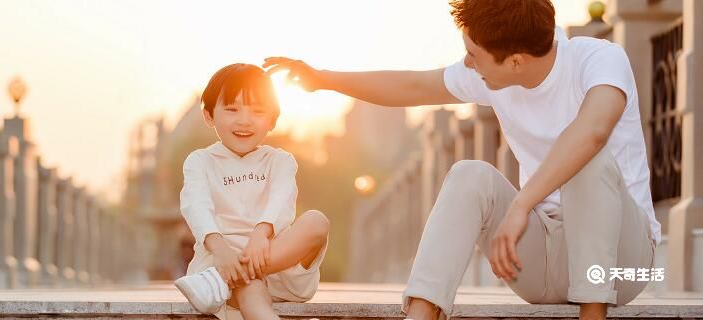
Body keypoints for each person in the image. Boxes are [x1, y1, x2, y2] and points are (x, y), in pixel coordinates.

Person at [262, 1, 659, 319]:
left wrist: (521, 204)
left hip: (619, 266)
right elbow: (413, 85)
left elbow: (591, 132)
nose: (467, 62)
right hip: (545, 263)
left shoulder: (599, 60)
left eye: (473, 54)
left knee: (587, 158)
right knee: (470, 173)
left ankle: (593, 314)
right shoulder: (493, 75)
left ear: (516, 61)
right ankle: (421, 313)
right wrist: (324, 79)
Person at [175, 63, 330, 320]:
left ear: (272, 120)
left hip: (275, 260)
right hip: (221, 260)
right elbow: (196, 205)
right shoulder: (200, 161)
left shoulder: (281, 161)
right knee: (251, 292)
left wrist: (262, 232)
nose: (244, 120)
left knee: (317, 221)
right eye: (232, 109)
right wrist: (221, 249)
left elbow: (282, 199)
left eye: (257, 111)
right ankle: (232, 277)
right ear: (209, 115)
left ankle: (229, 278)